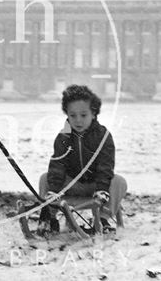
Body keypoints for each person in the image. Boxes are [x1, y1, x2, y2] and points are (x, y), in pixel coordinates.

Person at [38, 85, 127, 233]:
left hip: (95, 186)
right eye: (73, 116)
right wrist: (54, 190)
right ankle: (49, 215)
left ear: (93, 113)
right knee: (45, 178)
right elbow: (57, 164)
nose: (78, 120)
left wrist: (102, 189)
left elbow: (106, 166)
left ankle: (103, 218)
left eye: (83, 115)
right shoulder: (63, 137)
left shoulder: (103, 136)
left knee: (119, 181)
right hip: (72, 184)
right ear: (67, 115)